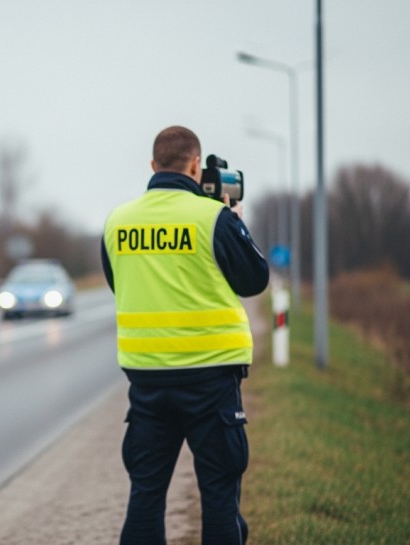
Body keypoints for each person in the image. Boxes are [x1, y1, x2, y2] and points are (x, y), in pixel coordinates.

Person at [101, 126, 269, 545]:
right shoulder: (212, 218)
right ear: (196, 166)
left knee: (145, 496)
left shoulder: (118, 221)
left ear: (153, 166)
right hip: (212, 380)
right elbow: (254, 280)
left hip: (148, 383)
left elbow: (120, 283)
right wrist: (235, 224)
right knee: (219, 498)